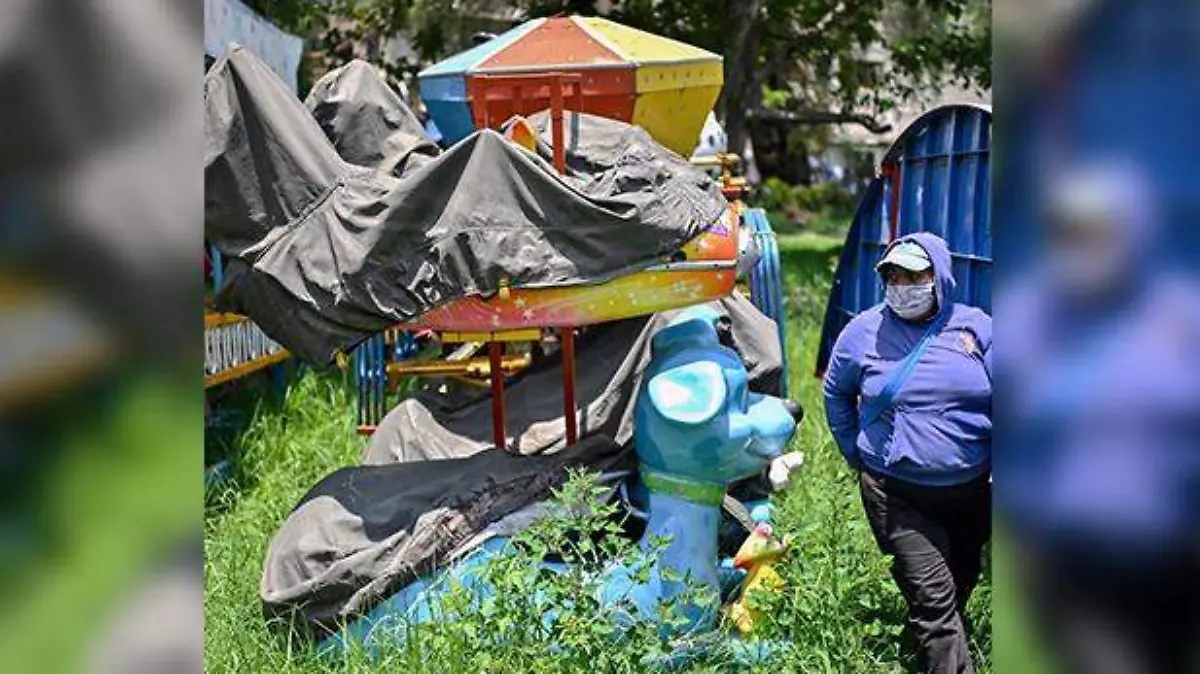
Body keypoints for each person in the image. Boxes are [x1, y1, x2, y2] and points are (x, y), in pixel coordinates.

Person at [823, 232, 992, 674]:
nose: (902, 283)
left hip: (971, 491)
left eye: (914, 273)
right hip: (895, 493)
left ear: (939, 276)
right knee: (935, 603)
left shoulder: (977, 327)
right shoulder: (863, 332)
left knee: (958, 583)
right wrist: (855, 452)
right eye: (892, 274)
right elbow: (836, 395)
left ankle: (918, 646)